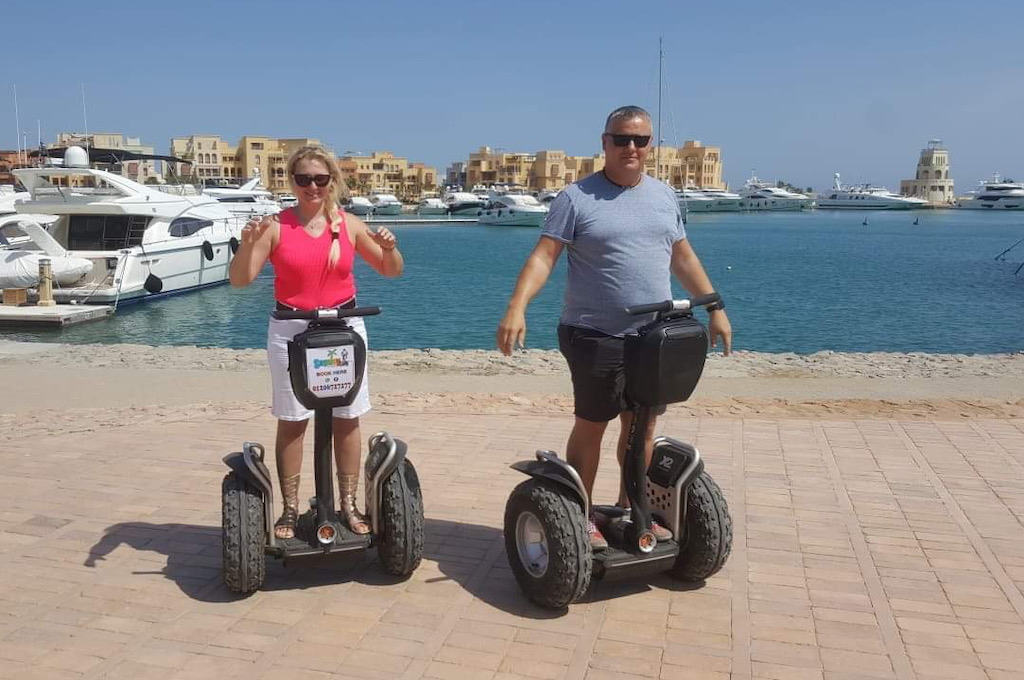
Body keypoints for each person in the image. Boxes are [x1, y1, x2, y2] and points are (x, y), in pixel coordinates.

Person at [497, 105, 732, 551]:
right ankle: (578, 515)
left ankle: (630, 510)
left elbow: (682, 256)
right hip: (593, 332)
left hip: (654, 335)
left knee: (642, 426)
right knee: (594, 423)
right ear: (604, 142)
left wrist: (714, 307)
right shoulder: (576, 198)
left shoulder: (664, 196)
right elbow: (544, 257)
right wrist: (517, 307)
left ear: (649, 146)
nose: (630, 148)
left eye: (640, 140)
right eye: (621, 139)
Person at [229, 145, 403, 539]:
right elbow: (240, 280)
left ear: (331, 182)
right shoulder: (275, 226)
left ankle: (348, 503)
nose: (312, 186)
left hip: (344, 328)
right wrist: (247, 243)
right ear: (291, 181)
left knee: (347, 417)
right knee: (292, 420)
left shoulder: (349, 224)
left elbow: (391, 272)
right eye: (303, 179)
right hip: (292, 328)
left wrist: (391, 249)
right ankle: (290, 511)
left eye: (320, 179)